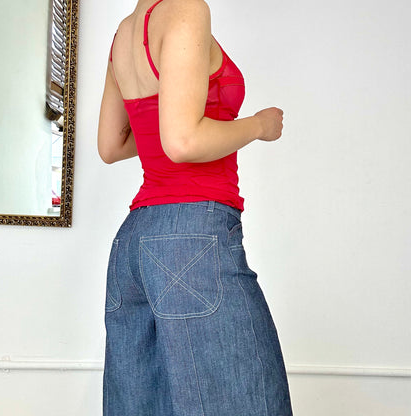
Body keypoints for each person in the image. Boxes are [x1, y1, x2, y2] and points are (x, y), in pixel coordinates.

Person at [97, 0, 293, 414]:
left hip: (133, 244)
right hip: (190, 237)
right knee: (248, 401)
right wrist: (259, 125)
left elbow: (111, 145)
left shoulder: (125, 32)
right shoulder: (186, 9)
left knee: (148, 404)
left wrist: (164, 129)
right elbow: (183, 142)